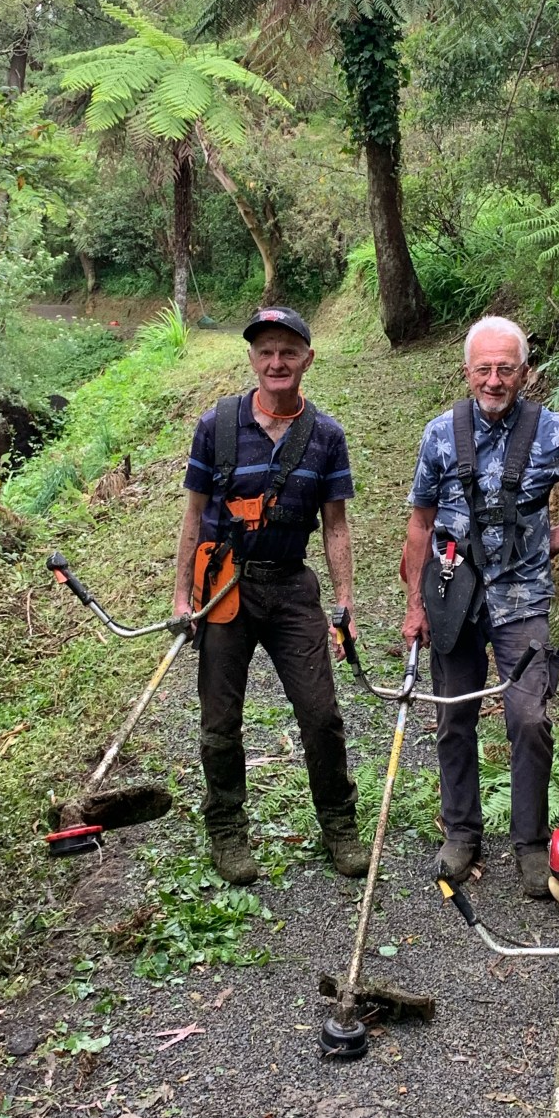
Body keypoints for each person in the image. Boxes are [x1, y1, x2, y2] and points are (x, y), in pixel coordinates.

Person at [402, 315, 559, 898]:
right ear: (467, 371)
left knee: (530, 719)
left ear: (526, 372)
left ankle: (530, 843)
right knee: (453, 717)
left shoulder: (553, 432)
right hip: (452, 594)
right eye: (484, 369)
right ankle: (462, 833)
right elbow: (420, 521)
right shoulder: (441, 434)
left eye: (506, 368)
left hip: (523, 599)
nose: (494, 380)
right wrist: (415, 603)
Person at [173, 306, 368, 884]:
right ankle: (228, 831)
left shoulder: (326, 436)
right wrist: (182, 597)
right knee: (219, 720)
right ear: (252, 359)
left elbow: (335, 525)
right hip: (224, 587)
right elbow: (192, 516)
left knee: (321, 715)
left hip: (290, 586)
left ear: (308, 358)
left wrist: (345, 604)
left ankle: (339, 826)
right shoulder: (218, 425)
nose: (276, 362)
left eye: (288, 351)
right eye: (265, 352)